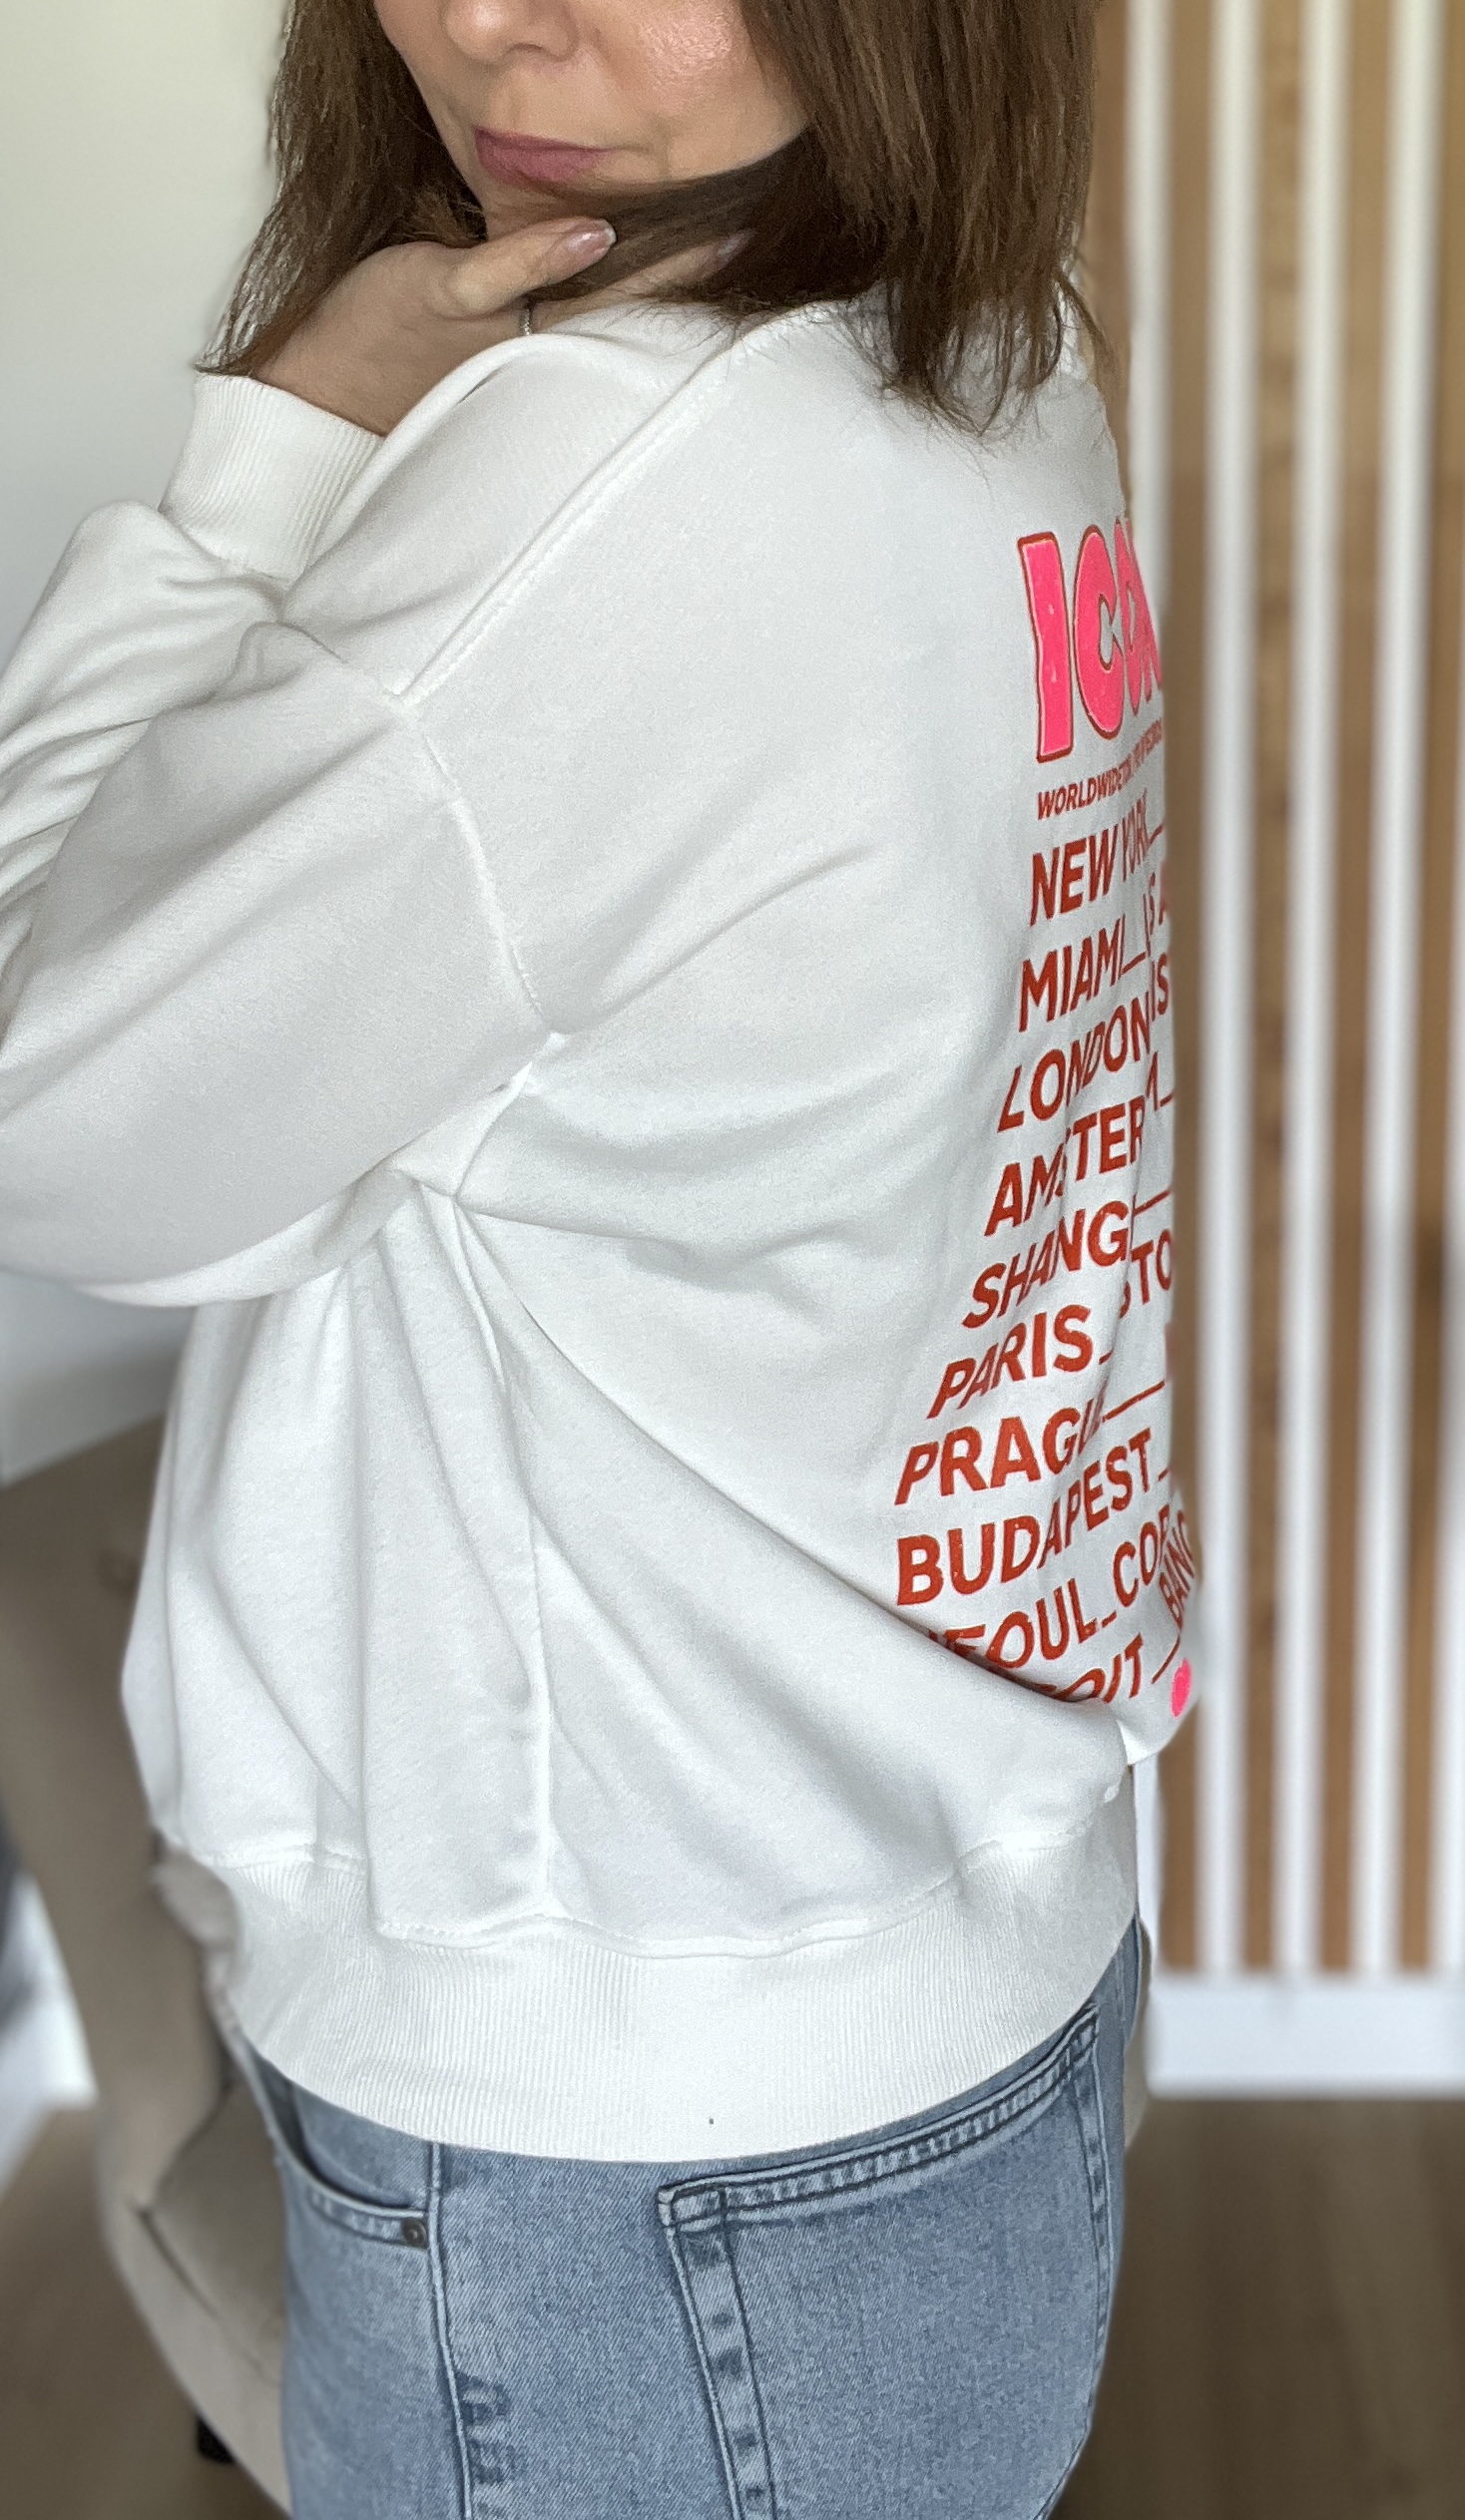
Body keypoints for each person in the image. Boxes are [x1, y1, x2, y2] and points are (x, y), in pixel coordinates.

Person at [0, 0, 1192, 2510]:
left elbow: (44, 1126)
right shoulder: (986, 356)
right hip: (955, 1966)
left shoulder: (607, 473)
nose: (481, 18)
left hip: (639, 2133)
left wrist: (276, 442)